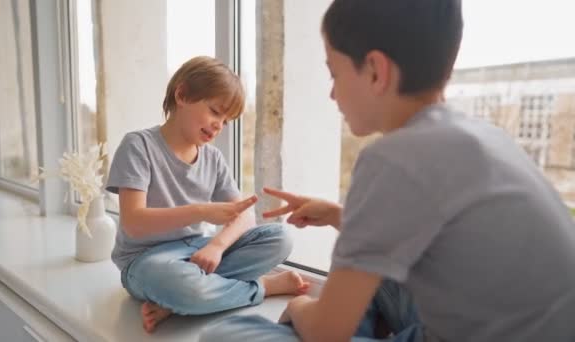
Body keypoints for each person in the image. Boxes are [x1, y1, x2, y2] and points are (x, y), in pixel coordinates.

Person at [199, 0, 575, 341]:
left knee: (225, 335)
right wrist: (335, 215)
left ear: (376, 71)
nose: (332, 94)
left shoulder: (392, 158)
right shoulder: (484, 136)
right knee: (376, 280)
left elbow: (327, 331)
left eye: (334, 74)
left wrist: (299, 309)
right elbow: (436, 240)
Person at [106, 56, 309, 333]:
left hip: (196, 252)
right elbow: (133, 221)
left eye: (226, 121)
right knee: (180, 283)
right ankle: (261, 287)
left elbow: (244, 216)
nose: (219, 126)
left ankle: (177, 301)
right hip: (145, 261)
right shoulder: (138, 145)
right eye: (215, 112)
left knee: (279, 237)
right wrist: (202, 211)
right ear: (182, 94)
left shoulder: (212, 158)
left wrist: (218, 245)